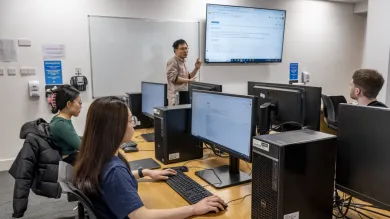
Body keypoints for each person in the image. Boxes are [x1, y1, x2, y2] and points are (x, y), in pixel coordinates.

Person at [73, 97, 226, 219]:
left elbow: (112, 180)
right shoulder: (114, 170)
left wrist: (144, 172)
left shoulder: (98, 155)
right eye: (130, 120)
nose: (134, 124)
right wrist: (193, 208)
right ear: (115, 128)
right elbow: (141, 216)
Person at [49, 85, 82, 165]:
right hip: (68, 162)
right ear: (69, 104)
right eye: (79, 103)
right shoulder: (61, 125)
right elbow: (82, 147)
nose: (81, 106)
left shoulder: (59, 119)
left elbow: (74, 138)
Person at [166, 39, 202, 106]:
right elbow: (174, 78)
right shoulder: (173, 61)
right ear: (176, 50)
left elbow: (187, 77)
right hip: (176, 96)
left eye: (186, 48)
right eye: (182, 49)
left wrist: (196, 68)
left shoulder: (184, 61)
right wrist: (189, 81)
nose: (185, 51)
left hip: (184, 94)